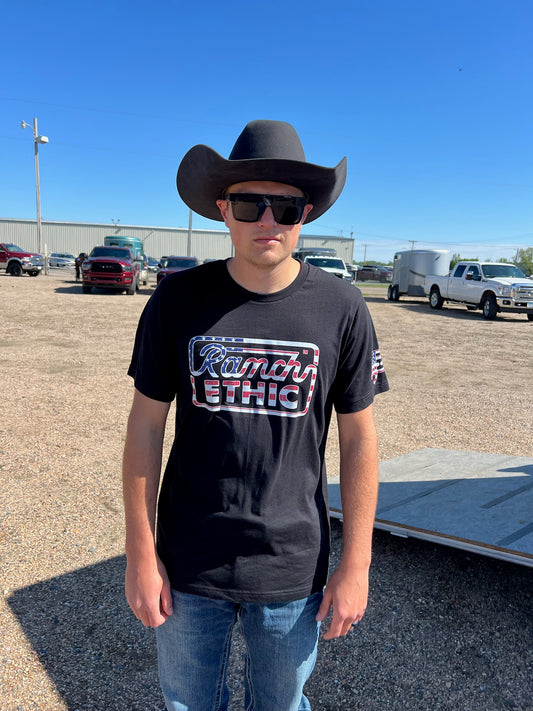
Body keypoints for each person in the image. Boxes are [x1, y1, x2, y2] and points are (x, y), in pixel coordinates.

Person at [122, 119, 389, 710]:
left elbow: (360, 440)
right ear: (223, 210)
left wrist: (357, 564)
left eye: (286, 207)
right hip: (188, 564)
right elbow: (145, 426)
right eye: (249, 203)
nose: (268, 220)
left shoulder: (342, 307)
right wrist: (140, 553)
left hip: (292, 568)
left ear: (306, 215)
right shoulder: (176, 301)